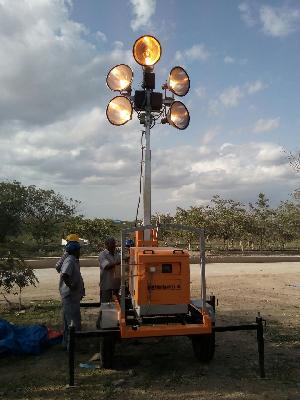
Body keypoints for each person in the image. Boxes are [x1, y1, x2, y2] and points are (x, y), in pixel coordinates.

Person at [59, 240, 85, 349]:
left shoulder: (73, 260)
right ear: (75, 251)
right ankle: (72, 347)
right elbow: (65, 274)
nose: (80, 252)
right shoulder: (70, 260)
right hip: (70, 296)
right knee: (73, 322)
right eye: (79, 250)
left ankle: (66, 344)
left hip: (72, 296)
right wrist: (71, 286)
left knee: (68, 321)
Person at [98, 237, 121, 303]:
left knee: (115, 305)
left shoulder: (117, 255)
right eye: (112, 244)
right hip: (106, 285)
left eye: (114, 243)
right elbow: (107, 267)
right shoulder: (102, 255)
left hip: (116, 285)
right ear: (106, 245)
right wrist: (120, 262)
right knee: (105, 305)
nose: (114, 245)